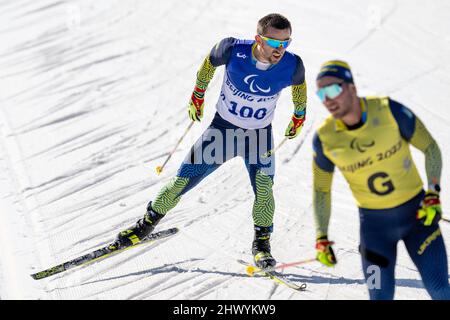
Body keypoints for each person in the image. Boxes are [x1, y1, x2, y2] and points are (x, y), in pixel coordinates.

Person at [114, 13, 307, 268]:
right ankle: (145, 226)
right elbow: (208, 64)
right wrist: (198, 95)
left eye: (286, 43)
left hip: (258, 137)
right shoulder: (231, 49)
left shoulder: (292, 65)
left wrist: (299, 115)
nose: (280, 49)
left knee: (264, 191)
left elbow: (299, 88)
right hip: (222, 132)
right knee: (180, 181)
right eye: (274, 43)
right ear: (258, 39)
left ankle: (262, 245)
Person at [311, 60, 450, 299]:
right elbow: (321, 189)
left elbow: (430, 148)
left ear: (352, 88)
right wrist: (322, 236)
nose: (328, 99)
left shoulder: (389, 111)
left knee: (440, 290)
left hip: (418, 218)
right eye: (321, 93)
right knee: (379, 297)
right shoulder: (325, 139)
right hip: (375, 231)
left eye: (333, 89)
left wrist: (433, 193)